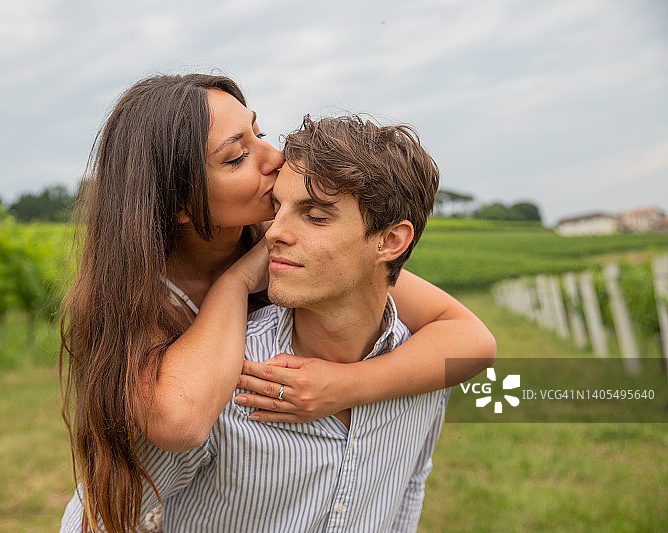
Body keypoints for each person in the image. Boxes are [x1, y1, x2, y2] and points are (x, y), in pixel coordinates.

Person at [60, 73, 495, 533]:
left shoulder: (294, 252)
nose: (274, 158)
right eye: (237, 156)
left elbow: (469, 337)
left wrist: (346, 385)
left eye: (259, 132)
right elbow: (178, 422)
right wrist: (235, 284)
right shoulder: (139, 297)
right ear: (179, 203)